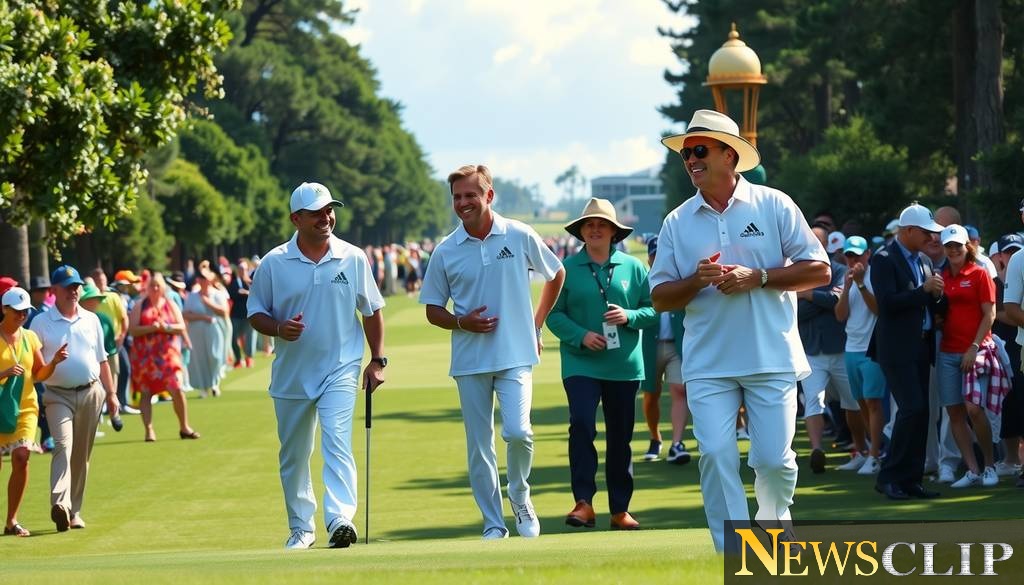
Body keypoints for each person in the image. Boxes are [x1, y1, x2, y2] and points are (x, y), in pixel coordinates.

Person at [649, 110, 830, 551]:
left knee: (774, 462)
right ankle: (732, 550)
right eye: (685, 154)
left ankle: (774, 523)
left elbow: (820, 270)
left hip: (771, 356)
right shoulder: (677, 221)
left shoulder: (774, 204)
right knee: (715, 455)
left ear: (729, 155)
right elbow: (660, 297)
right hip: (708, 362)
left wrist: (759, 277)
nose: (691, 160)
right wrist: (696, 280)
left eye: (699, 150)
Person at [420, 164, 565, 540]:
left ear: (489, 195)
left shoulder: (518, 234)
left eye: (470, 195)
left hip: (516, 354)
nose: (463, 203)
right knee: (479, 446)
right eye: (457, 197)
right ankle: (493, 523)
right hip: (470, 361)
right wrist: (461, 322)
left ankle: (519, 494)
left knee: (519, 432)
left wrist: (536, 324)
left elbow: (556, 273)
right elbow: (433, 309)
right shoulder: (446, 250)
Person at [248, 181, 386, 550]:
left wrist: (377, 360)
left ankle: (340, 518)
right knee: (294, 454)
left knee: (337, 439)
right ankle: (301, 528)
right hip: (293, 373)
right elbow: (255, 313)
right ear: (296, 219)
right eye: (316, 213)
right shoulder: (274, 262)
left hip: (340, 367)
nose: (326, 218)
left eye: (329, 210)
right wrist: (279, 328)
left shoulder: (352, 257)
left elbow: (371, 310)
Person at [546, 198, 657, 531]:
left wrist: (629, 316)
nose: (595, 229)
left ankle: (620, 510)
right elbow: (553, 314)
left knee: (620, 436)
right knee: (581, 424)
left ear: (613, 232)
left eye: (602, 225)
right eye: (589, 225)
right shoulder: (565, 268)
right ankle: (583, 503)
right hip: (580, 363)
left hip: (624, 365)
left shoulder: (634, 267)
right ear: (581, 231)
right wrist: (581, 336)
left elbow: (654, 309)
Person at [29, 265, 120, 531]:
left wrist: (112, 394)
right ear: (54, 291)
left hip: (91, 392)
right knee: (62, 445)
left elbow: (103, 360)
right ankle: (60, 504)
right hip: (57, 395)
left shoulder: (91, 319)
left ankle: (74, 511)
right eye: (68, 287)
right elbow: (35, 367)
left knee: (81, 455)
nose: (74, 291)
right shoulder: (41, 323)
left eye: (77, 287)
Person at [869, 203, 945, 501]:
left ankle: (911, 479)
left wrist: (937, 296)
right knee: (912, 408)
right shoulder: (883, 259)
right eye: (926, 232)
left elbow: (928, 303)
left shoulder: (924, 260)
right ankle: (889, 477)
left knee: (921, 412)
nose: (931, 237)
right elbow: (887, 304)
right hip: (897, 348)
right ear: (909, 230)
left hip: (921, 345)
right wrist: (923, 291)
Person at [933, 225, 1002, 488]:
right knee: (955, 412)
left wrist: (973, 346)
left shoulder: (979, 273)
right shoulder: (941, 277)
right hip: (947, 352)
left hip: (976, 351)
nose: (953, 250)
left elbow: (990, 314)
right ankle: (972, 469)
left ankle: (990, 465)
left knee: (974, 409)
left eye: (957, 246)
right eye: (948, 246)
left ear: (967, 246)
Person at [1, 287, 68, 536]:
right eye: (17, 311)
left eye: (25, 312)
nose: (22, 316)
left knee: (21, 457)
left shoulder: (30, 337)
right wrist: (4, 373)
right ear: (4, 309)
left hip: (26, 407)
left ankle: (11, 521)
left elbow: (39, 374)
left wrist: (54, 363)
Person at [798, 225, 862, 474]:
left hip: (840, 348)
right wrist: (818, 300)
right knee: (813, 401)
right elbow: (794, 311)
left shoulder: (839, 270)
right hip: (811, 350)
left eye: (817, 240)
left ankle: (861, 449)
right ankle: (817, 449)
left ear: (825, 244)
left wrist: (807, 295)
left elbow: (837, 301)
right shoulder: (797, 271)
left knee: (853, 402)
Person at [834, 236, 886, 475]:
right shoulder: (847, 279)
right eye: (849, 255)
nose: (853, 259)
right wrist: (847, 287)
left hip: (872, 349)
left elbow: (878, 310)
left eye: (857, 255)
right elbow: (840, 315)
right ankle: (874, 452)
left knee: (873, 402)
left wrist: (862, 284)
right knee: (862, 403)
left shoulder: (875, 276)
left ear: (868, 254)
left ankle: (874, 455)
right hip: (851, 349)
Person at [128, 272, 198, 442]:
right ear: (147, 287)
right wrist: (151, 328)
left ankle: (184, 426)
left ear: (163, 287)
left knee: (177, 388)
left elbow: (181, 326)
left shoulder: (170, 304)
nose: (155, 288)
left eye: (158, 285)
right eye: (152, 285)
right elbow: (133, 329)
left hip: (167, 355)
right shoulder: (140, 305)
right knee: (146, 392)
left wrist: (165, 327)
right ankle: (149, 430)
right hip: (145, 357)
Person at [638, 236, 690, 465]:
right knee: (651, 394)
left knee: (679, 390)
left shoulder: (680, 278)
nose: (657, 258)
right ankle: (655, 437)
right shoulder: (644, 281)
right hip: (650, 345)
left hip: (677, 344)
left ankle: (677, 444)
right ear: (649, 258)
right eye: (653, 255)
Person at [183, 267, 229, 398]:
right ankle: (203, 387)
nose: (202, 280)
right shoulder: (192, 296)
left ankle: (215, 383)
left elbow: (224, 312)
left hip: (214, 329)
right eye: (200, 278)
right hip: (196, 331)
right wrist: (202, 317)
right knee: (200, 358)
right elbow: (185, 314)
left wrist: (209, 303)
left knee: (215, 356)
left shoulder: (218, 294)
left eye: (205, 278)